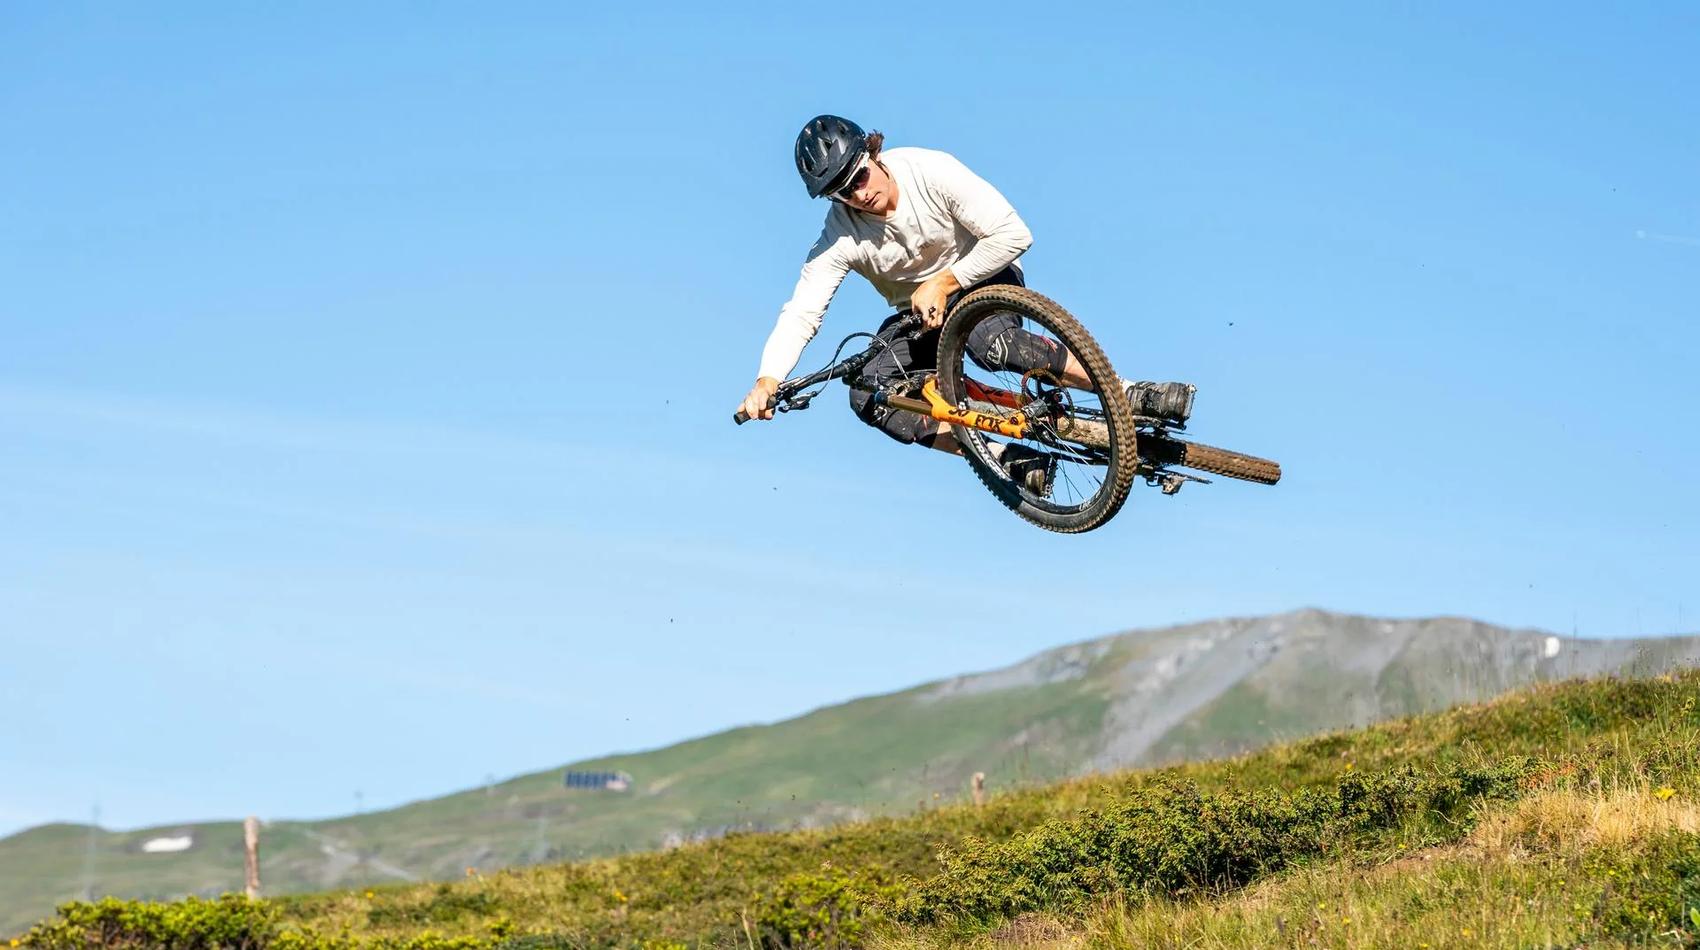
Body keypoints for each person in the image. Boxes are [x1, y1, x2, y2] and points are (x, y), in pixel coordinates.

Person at [737, 115, 1193, 494]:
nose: (859, 194)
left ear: (872, 154)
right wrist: (767, 378)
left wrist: (947, 279)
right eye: (842, 191)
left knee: (986, 339)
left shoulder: (929, 171)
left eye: (859, 176)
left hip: (984, 276)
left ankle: (1129, 393)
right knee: (869, 392)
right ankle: (1004, 456)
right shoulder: (840, 233)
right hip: (919, 315)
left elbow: (1014, 235)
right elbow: (802, 310)